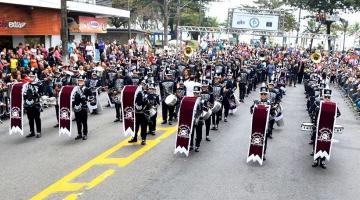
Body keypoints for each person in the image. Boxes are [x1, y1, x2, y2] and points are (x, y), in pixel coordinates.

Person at [250, 85, 271, 160]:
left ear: (267, 95)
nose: (263, 95)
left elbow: (272, 115)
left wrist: (272, 110)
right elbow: (251, 111)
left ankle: (263, 153)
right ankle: (255, 151)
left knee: (264, 139)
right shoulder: (257, 102)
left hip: (265, 124)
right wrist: (253, 109)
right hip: (257, 123)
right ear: (260, 95)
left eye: (265, 94)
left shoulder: (269, 103)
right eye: (262, 94)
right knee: (256, 137)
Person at [128, 81, 149, 145]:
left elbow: (149, 102)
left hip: (144, 112)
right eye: (141, 84)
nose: (142, 85)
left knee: (143, 126)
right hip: (136, 112)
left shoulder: (147, 93)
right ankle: (134, 137)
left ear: (146, 86)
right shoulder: (136, 92)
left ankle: (143, 139)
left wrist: (146, 101)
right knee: (135, 126)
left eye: (144, 84)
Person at [190, 86, 204, 152]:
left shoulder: (202, 100)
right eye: (195, 93)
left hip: (199, 119)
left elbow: (205, 110)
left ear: (199, 93)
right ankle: (191, 145)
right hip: (192, 119)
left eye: (197, 93)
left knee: (199, 134)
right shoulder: (190, 99)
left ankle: (197, 146)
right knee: (191, 133)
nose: (196, 94)